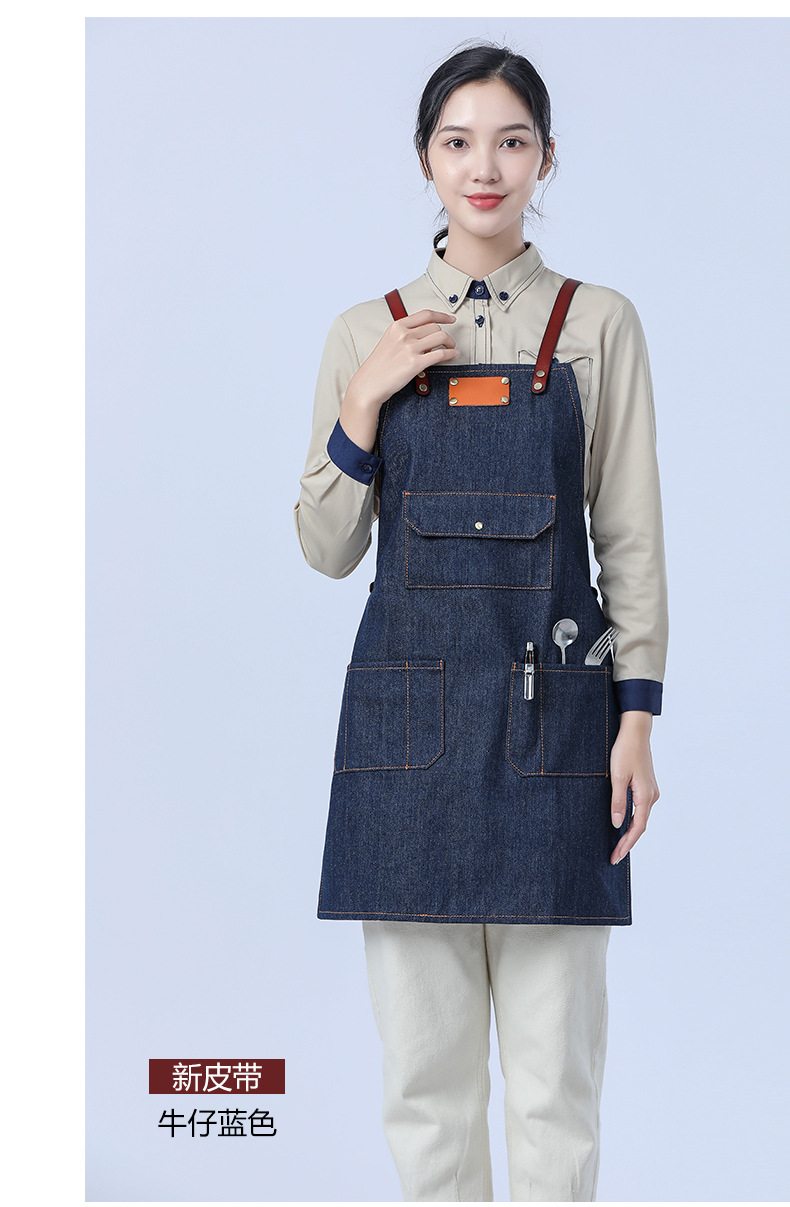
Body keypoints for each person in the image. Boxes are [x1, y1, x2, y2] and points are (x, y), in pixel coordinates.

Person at [293, 41, 668, 1204]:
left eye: (511, 141)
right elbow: (324, 547)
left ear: (546, 157)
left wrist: (636, 723)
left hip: (560, 736)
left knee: (556, 1087)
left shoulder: (598, 323)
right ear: (425, 159)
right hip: (406, 743)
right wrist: (365, 400)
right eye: (458, 142)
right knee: (425, 1089)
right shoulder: (363, 331)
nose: (485, 167)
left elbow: (631, 539)